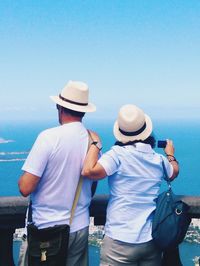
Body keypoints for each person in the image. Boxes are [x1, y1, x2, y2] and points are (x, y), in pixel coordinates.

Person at [82, 104, 179, 266]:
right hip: (150, 240)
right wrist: (170, 155)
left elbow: (89, 171)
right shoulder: (158, 159)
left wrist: (95, 144)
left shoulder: (117, 155)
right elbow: (174, 172)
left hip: (120, 240)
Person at [18, 80, 96, 266]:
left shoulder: (48, 137)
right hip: (79, 226)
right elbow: (92, 184)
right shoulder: (92, 142)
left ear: (59, 107)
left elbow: (25, 187)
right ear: (84, 111)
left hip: (46, 229)